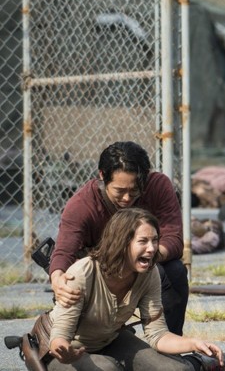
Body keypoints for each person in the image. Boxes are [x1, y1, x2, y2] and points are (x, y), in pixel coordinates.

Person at [46, 207, 225, 370]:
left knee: (176, 369)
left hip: (110, 340)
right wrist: (65, 352)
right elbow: (59, 338)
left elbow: (158, 335)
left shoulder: (149, 273)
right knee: (107, 369)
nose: (152, 248)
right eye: (143, 241)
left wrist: (194, 343)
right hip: (65, 351)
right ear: (122, 243)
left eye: (155, 240)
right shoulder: (82, 273)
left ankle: (202, 363)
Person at [49, 141, 189, 335]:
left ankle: (169, 339)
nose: (127, 198)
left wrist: (145, 256)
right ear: (102, 176)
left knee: (175, 271)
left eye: (134, 190)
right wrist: (57, 279)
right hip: (103, 276)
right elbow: (64, 251)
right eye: (119, 191)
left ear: (145, 178)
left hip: (145, 267)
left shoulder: (158, 186)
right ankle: (101, 332)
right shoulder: (82, 205)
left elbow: (174, 238)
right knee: (73, 279)